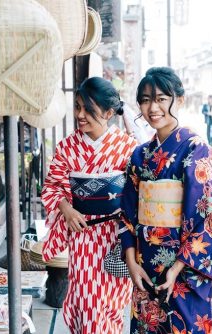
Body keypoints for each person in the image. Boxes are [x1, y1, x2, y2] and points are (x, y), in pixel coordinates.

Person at [119, 67, 212, 333]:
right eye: (145, 100)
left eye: (161, 99)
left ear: (179, 100)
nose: (152, 107)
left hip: (184, 271)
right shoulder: (139, 156)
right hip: (146, 265)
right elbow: (127, 213)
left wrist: (177, 267)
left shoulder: (196, 150)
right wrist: (133, 264)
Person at [41, 77, 137, 333]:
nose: (80, 115)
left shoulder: (127, 147)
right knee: (85, 302)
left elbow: (138, 191)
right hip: (82, 236)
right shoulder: (67, 147)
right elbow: (51, 186)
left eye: (88, 110)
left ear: (108, 112)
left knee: (110, 304)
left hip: (115, 237)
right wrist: (67, 209)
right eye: (77, 107)